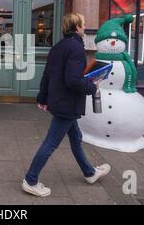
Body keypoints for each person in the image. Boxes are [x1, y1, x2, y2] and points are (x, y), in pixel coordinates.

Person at [22, 12, 111, 197]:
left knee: (76, 138)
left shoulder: (58, 47)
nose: (85, 27)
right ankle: (30, 180)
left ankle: (90, 172)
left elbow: (47, 74)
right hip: (67, 104)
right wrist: (92, 87)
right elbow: (73, 80)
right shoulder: (76, 49)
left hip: (60, 101)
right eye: (83, 24)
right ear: (77, 27)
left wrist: (42, 97)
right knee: (51, 143)